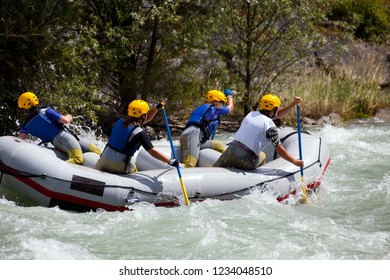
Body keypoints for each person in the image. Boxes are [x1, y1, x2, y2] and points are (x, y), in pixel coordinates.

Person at [213, 94, 304, 170]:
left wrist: (293, 104)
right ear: (274, 109)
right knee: (263, 155)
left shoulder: (251, 114)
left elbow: (276, 115)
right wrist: (295, 162)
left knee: (215, 169)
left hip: (230, 151)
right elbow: (280, 151)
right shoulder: (271, 127)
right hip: (247, 160)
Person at [94, 99, 179, 174]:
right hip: (119, 166)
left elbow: (146, 117)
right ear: (143, 116)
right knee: (136, 169)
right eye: (145, 114)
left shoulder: (120, 122)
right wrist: (169, 161)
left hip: (103, 161)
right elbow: (152, 151)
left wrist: (157, 107)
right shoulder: (140, 133)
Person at [17, 91, 102, 165]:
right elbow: (65, 120)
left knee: (96, 150)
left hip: (62, 139)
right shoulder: (46, 111)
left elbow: (20, 139)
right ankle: (55, 168)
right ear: (35, 100)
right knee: (78, 159)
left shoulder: (25, 124)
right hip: (63, 137)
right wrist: (69, 116)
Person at [179, 88, 234, 167]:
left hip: (196, 137)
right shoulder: (213, 109)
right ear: (215, 102)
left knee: (218, 145)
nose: (222, 105)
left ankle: (233, 159)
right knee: (189, 165)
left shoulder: (205, 108)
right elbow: (230, 107)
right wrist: (229, 96)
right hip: (193, 134)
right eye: (221, 102)